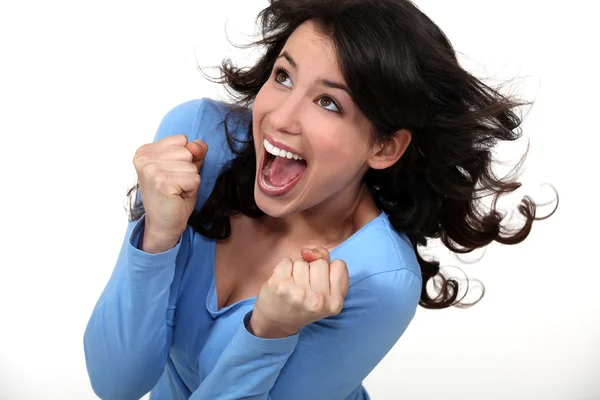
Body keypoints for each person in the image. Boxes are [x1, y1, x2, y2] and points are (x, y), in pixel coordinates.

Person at [83, 0, 557, 399]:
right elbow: (115, 383)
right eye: (284, 76)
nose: (280, 118)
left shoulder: (378, 278)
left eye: (329, 102)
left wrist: (269, 332)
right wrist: (157, 238)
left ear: (384, 146)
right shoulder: (196, 142)